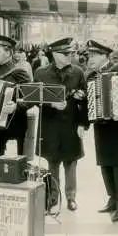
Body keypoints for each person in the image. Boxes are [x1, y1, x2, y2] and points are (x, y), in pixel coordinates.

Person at [86, 40, 118, 222]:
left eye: (93, 55)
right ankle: (113, 199)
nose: (89, 59)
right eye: (89, 55)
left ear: (104, 56)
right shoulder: (91, 76)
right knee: (105, 165)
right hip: (101, 127)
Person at [34, 38, 89, 211]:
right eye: (65, 54)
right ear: (54, 54)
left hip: (71, 125)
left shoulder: (78, 73)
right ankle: (53, 197)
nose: (69, 56)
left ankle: (71, 197)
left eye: (71, 53)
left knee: (71, 162)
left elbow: (86, 101)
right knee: (52, 162)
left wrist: (83, 124)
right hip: (50, 125)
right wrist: (51, 103)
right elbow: (33, 97)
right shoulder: (41, 73)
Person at [0, 35, 32, 180]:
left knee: (20, 161)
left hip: (15, 123)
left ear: (8, 52)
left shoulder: (19, 73)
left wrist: (17, 106)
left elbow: (31, 98)